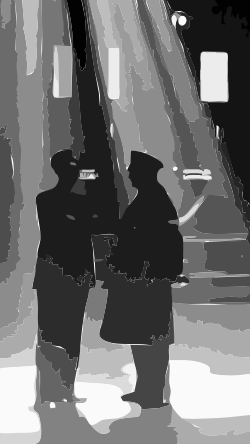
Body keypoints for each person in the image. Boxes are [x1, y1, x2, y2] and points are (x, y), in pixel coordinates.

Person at [99, 151, 184, 409]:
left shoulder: (152, 199)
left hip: (145, 282)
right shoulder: (152, 197)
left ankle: (152, 392)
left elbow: (166, 241)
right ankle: (146, 389)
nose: (129, 174)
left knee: (149, 339)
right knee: (145, 338)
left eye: (132, 170)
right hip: (144, 280)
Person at [33, 149, 107, 407]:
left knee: (66, 333)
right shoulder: (48, 200)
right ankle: (51, 390)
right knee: (55, 333)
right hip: (64, 275)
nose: (74, 174)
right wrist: (82, 218)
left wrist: (80, 217)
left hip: (62, 275)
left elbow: (93, 223)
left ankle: (61, 389)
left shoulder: (56, 200)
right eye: (71, 169)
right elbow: (87, 225)